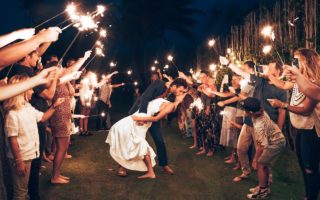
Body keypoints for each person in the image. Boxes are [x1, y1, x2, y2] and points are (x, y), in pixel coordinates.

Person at [267, 48, 320, 200]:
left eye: (296, 61)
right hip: (299, 129)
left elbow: (305, 110)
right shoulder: (298, 79)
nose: (293, 64)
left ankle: (311, 196)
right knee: (303, 165)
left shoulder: (314, 82)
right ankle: (309, 194)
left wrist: (282, 105)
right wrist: (269, 74)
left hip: (311, 131)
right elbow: (283, 85)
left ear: (307, 62)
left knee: (310, 168)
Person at [3, 75, 64, 200]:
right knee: (20, 192)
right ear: (21, 91)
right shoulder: (12, 114)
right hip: (21, 158)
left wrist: (54, 106)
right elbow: (12, 139)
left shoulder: (27, 107)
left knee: (24, 190)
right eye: (30, 88)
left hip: (29, 155)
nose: (32, 91)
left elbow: (42, 117)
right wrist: (19, 161)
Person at [106, 93, 187, 179]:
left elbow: (156, 118)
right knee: (130, 140)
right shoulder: (167, 98)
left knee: (138, 143)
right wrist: (143, 119)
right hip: (141, 117)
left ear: (182, 101)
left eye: (183, 94)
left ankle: (150, 172)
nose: (181, 93)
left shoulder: (171, 106)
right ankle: (145, 171)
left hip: (140, 119)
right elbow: (154, 112)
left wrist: (139, 119)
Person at [127, 78, 188, 175]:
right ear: (174, 86)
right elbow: (145, 97)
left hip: (153, 119)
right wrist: (142, 117)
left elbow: (168, 110)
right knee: (132, 139)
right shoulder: (159, 83)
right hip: (140, 113)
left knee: (160, 140)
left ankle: (164, 165)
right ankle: (121, 166)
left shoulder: (172, 96)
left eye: (182, 92)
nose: (179, 93)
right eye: (180, 90)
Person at [50, 51, 91, 184]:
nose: (61, 68)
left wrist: (71, 78)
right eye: (59, 67)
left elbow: (72, 91)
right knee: (61, 147)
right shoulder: (55, 80)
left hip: (65, 115)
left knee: (63, 146)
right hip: (59, 116)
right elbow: (71, 69)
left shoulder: (64, 81)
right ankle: (55, 176)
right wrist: (84, 58)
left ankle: (57, 174)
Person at [242, 98, 286, 200]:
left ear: (251, 112)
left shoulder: (259, 125)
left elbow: (261, 146)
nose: (244, 111)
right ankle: (263, 186)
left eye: (245, 110)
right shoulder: (260, 110)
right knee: (264, 165)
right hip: (275, 140)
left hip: (276, 143)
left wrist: (255, 160)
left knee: (261, 164)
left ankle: (263, 191)